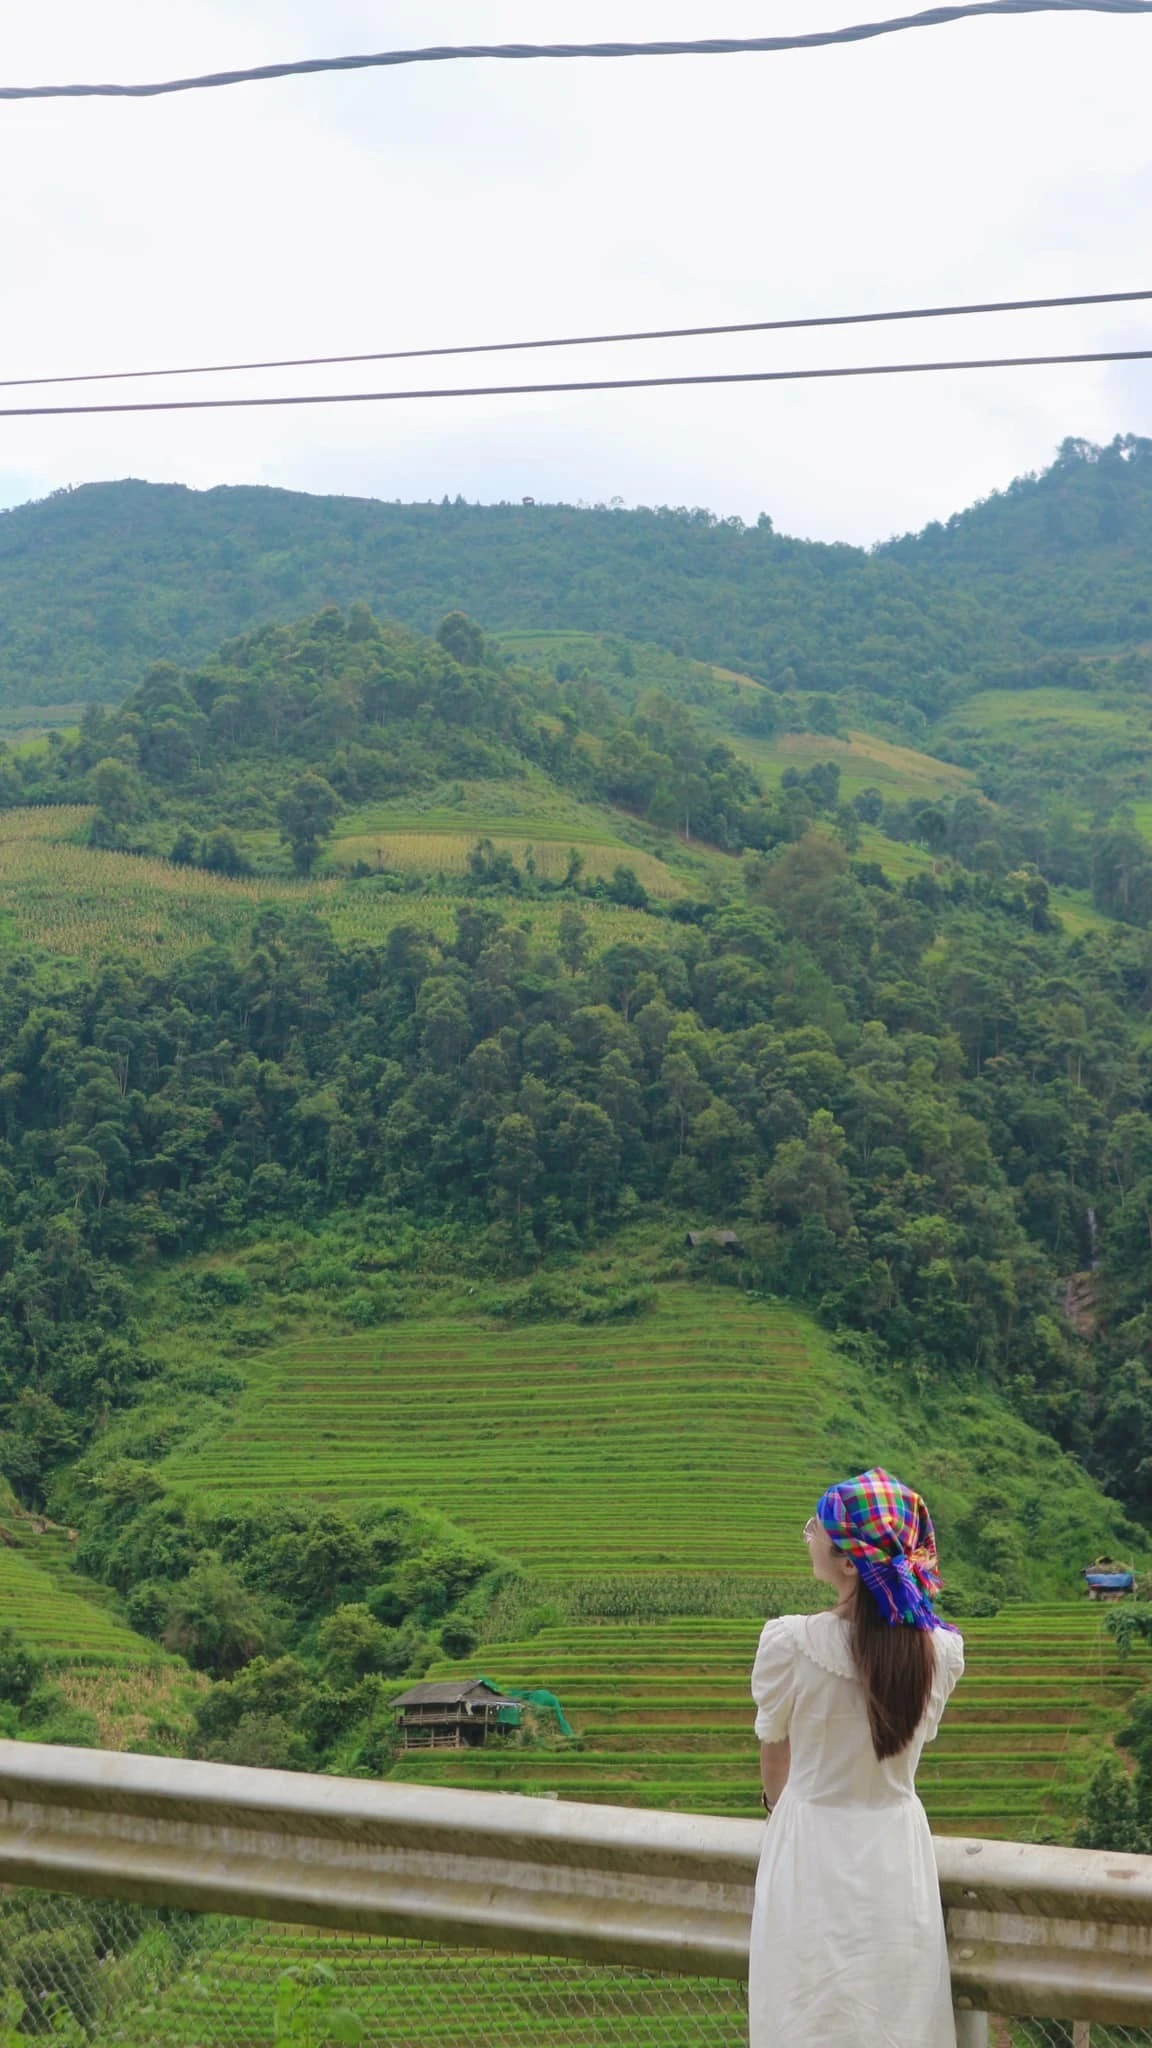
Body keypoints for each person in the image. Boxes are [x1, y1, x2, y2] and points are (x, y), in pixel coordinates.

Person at [748, 1466, 965, 2048]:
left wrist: (776, 1807)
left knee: (802, 2012)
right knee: (896, 2015)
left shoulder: (791, 1643)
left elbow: (775, 1749)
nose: (808, 1536)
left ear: (849, 1561)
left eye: (815, 1527)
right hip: (896, 1848)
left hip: (809, 1844)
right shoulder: (941, 1650)